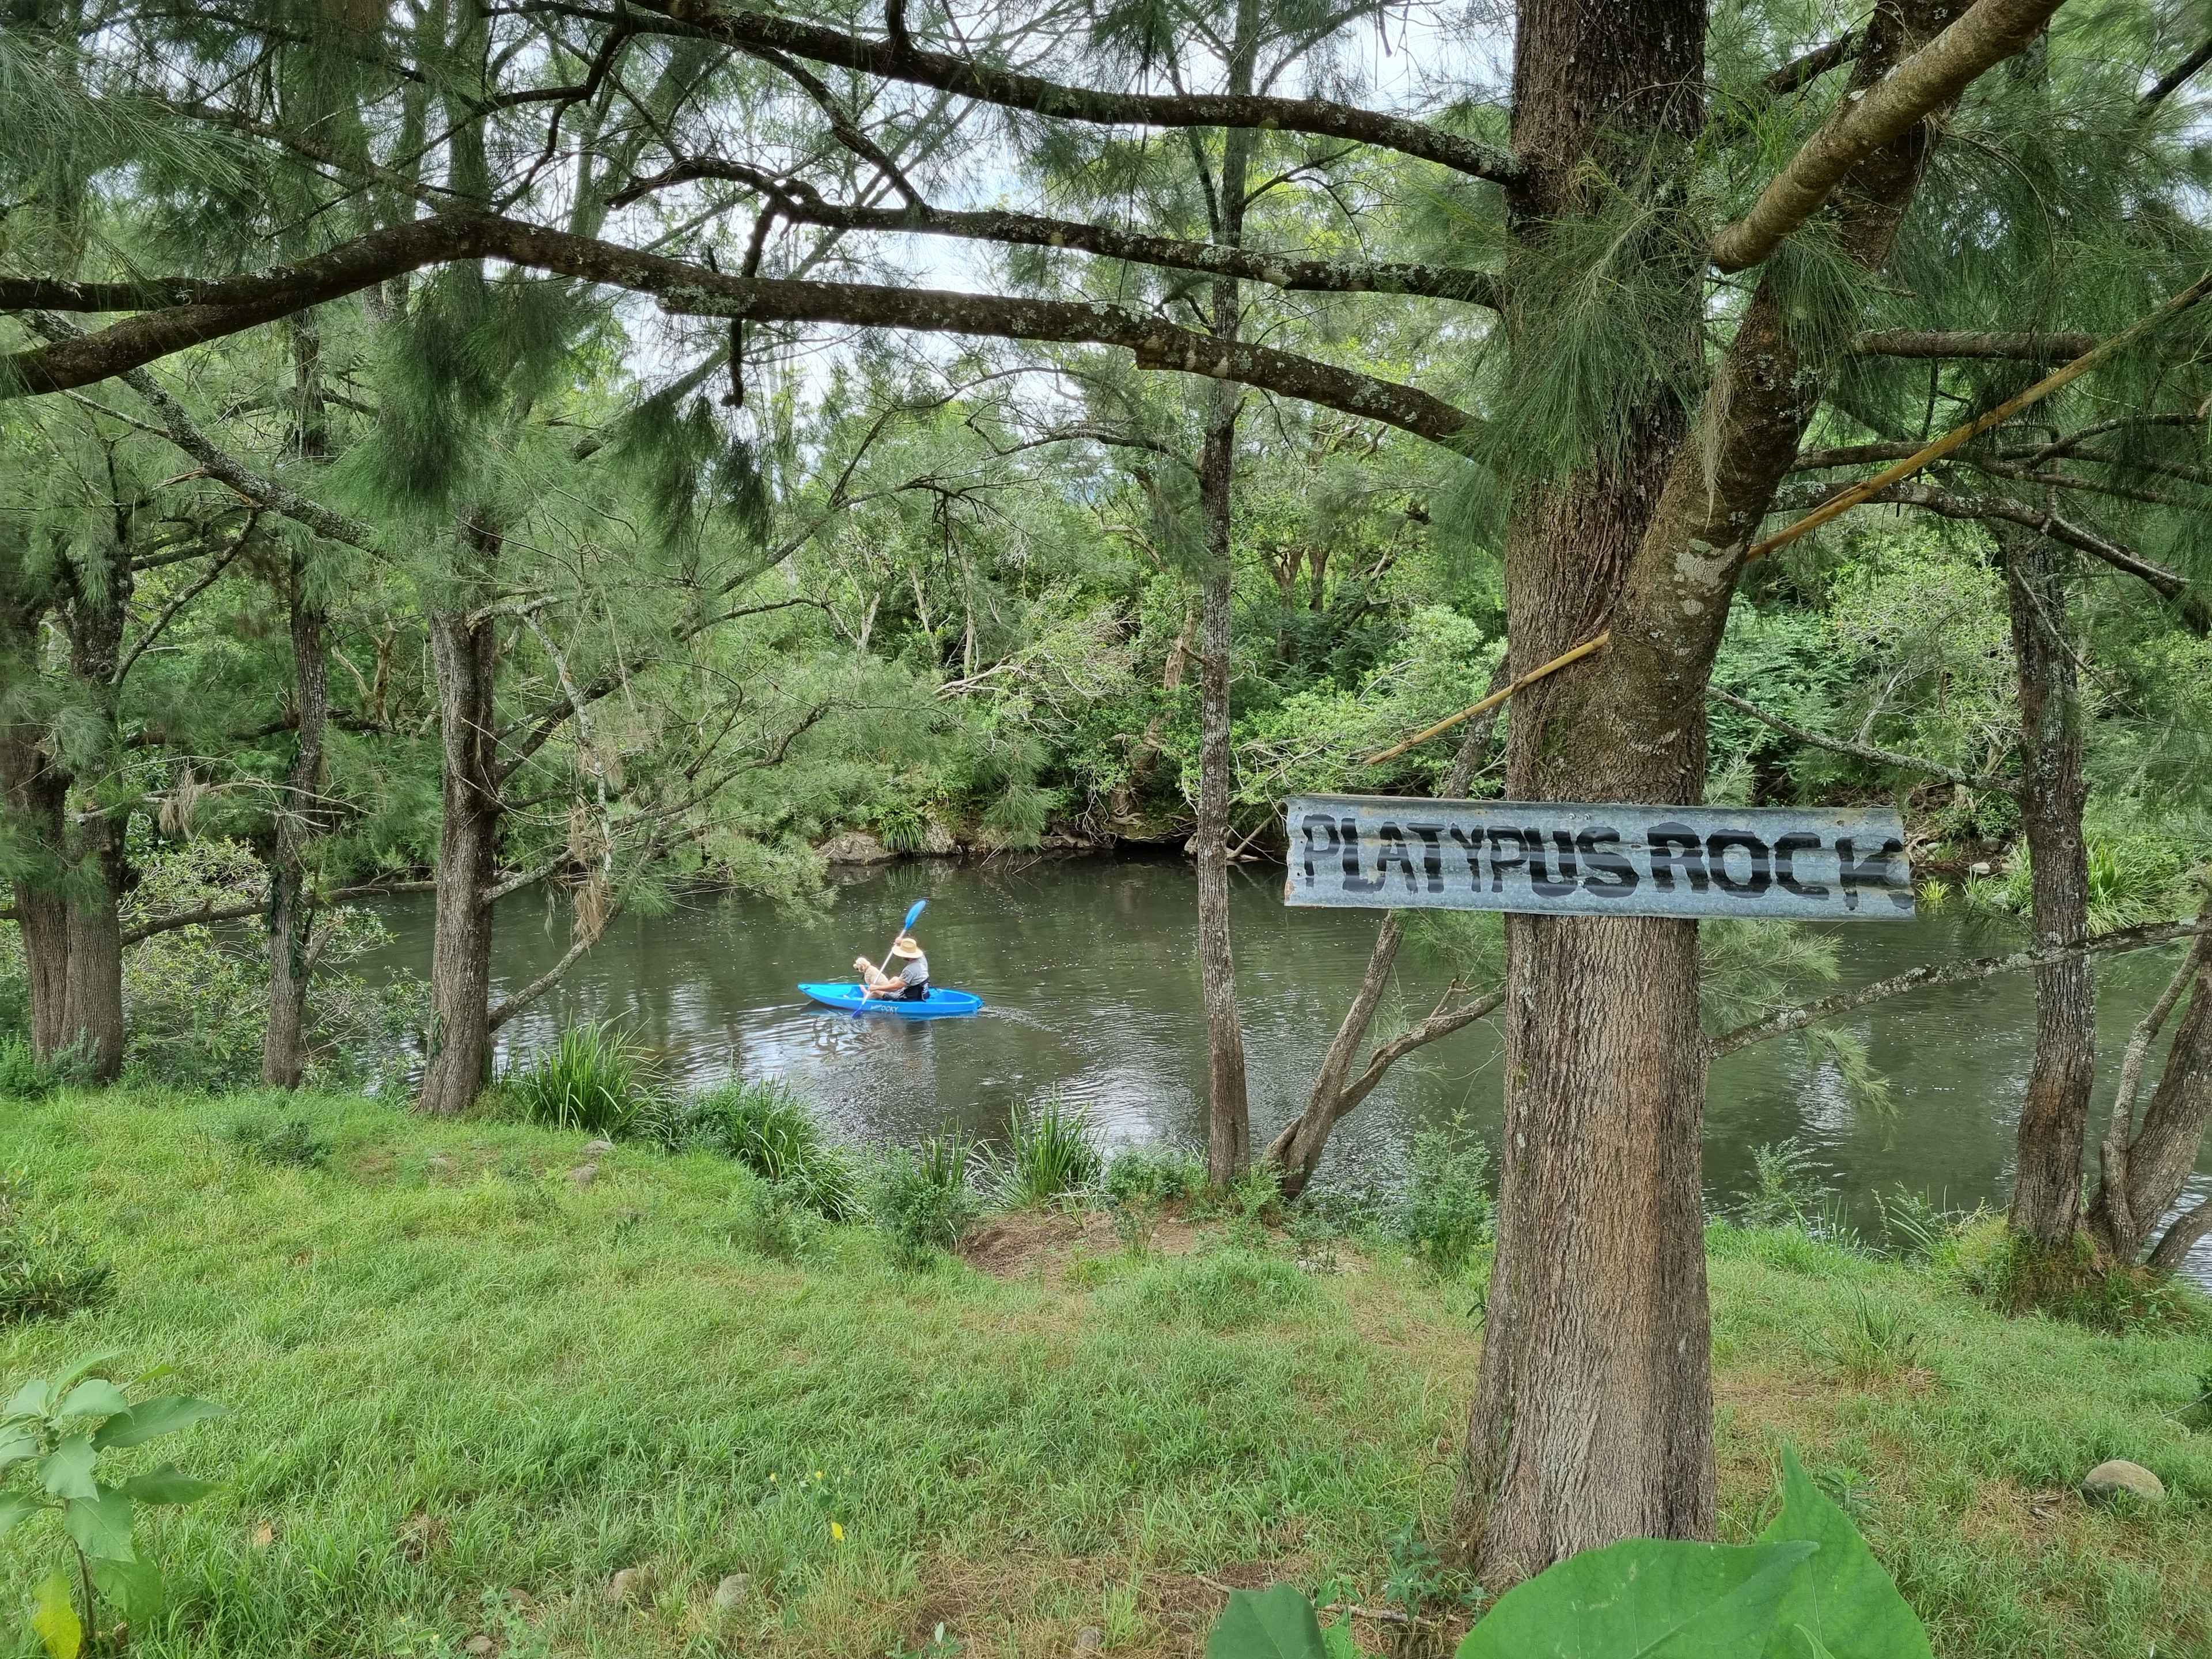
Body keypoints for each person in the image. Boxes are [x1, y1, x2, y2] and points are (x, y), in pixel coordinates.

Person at [855, 934, 929, 1001]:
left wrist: (876, 988)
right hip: (922, 991)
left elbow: (896, 987)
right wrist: (902, 942)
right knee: (895, 979)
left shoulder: (909, 970)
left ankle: (867, 997)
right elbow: (913, 948)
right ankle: (872, 993)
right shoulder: (921, 958)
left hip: (909, 997)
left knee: (876, 991)